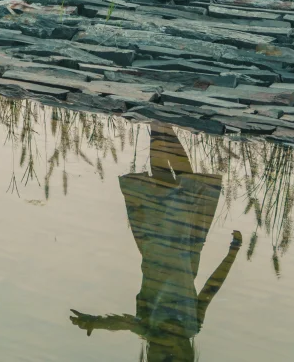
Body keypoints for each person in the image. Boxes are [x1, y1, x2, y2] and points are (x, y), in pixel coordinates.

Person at [69, 124, 242, 362]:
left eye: (162, 358)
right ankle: (162, 126)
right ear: (187, 355)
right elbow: (211, 288)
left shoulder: (149, 328)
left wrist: (96, 322)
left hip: (155, 246)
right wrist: (233, 252)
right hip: (186, 244)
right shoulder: (192, 326)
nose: (169, 354)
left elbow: (124, 323)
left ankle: (158, 124)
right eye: (175, 359)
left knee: (163, 183)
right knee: (187, 181)